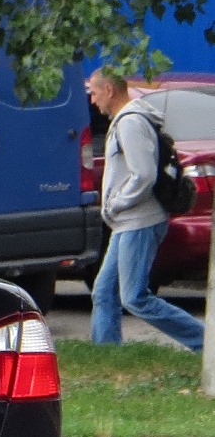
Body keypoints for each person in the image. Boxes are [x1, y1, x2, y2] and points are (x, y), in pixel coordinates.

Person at [86, 69, 204, 350]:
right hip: (127, 222)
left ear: (110, 91)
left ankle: (205, 343)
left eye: (94, 92)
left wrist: (116, 203)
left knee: (135, 298)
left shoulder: (131, 123)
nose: (92, 100)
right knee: (104, 292)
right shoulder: (126, 121)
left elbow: (144, 175)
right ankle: (107, 355)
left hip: (139, 220)